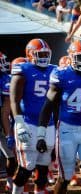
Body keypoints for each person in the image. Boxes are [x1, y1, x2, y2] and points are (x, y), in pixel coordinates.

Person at [36, 39, 81, 194]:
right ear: (72, 58)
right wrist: (41, 134)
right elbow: (48, 106)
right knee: (65, 177)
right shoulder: (61, 75)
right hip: (67, 130)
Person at [10, 38, 56, 194]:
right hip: (28, 122)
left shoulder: (54, 70)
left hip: (48, 124)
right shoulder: (23, 70)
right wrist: (19, 123)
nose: (43, 57)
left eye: (45, 54)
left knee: (43, 166)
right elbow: (14, 100)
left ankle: (40, 192)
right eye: (39, 53)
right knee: (27, 166)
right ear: (30, 55)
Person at [0, 52, 17, 192]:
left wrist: (8, 132)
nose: (5, 64)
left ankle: (10, 183)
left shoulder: (6, 79)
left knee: (12, 156)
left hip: (3, 120)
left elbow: (7, 109)